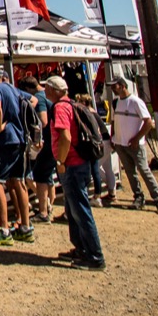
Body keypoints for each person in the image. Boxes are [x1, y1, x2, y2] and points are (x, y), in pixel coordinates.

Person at [46, 75, 105, 271]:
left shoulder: (60, 108)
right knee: (73, 210)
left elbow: (65, 135)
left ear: (54, 90)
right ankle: (82, 249)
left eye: (47, 88)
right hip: (79, 162)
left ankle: (95, 256)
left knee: (80, 210)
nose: (45, 91)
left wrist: (61, 161)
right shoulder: (71, 104)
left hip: (72, 164)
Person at [0, 65, 34, 246]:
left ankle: (4, 230)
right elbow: (33, 100)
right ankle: (26, 227)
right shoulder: (12, 88)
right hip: (20, 138)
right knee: (18, 181)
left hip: (7, 140)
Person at [108, 76, 158, 214]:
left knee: (144, 170)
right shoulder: (115, 103)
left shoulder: (136, 102)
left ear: (123, 86)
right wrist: (113, 137)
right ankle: (138, 197)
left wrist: (137, 138)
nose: (113, 89)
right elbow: (113, 121)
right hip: (120, 143)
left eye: (115, 86)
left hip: (135, 145)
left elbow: (148, 122)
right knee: (130, 172)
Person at [20, 76, 57, 220]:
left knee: (40, 176)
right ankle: (49, 206)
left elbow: (43, 121)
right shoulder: (46, 95)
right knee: (48, 177)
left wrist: (36, 138)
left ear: (28, 89)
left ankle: (43, 212)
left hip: (46, 142)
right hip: (54, 141)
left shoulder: (39, 98)